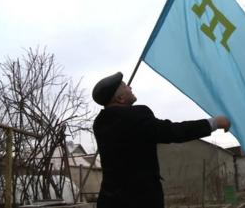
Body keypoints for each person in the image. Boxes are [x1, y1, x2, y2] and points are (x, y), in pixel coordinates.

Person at [92, 72, 230, 208]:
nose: (130, 87)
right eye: (125, 86)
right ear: (120, 98)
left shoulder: (99, 123)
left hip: (108, 201)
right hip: (139, 201)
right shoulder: (136, 115)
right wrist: (214, 123)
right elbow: (173, 132)